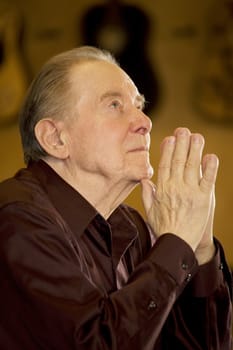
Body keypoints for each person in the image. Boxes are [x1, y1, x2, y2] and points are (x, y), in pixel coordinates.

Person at [0, 46, 232, 350]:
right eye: (114, 105)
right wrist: (174, 243)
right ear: (56, 139)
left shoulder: (131, 226)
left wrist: (199, 249)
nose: (145, 122)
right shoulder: (16, 220)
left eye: (139, 105)